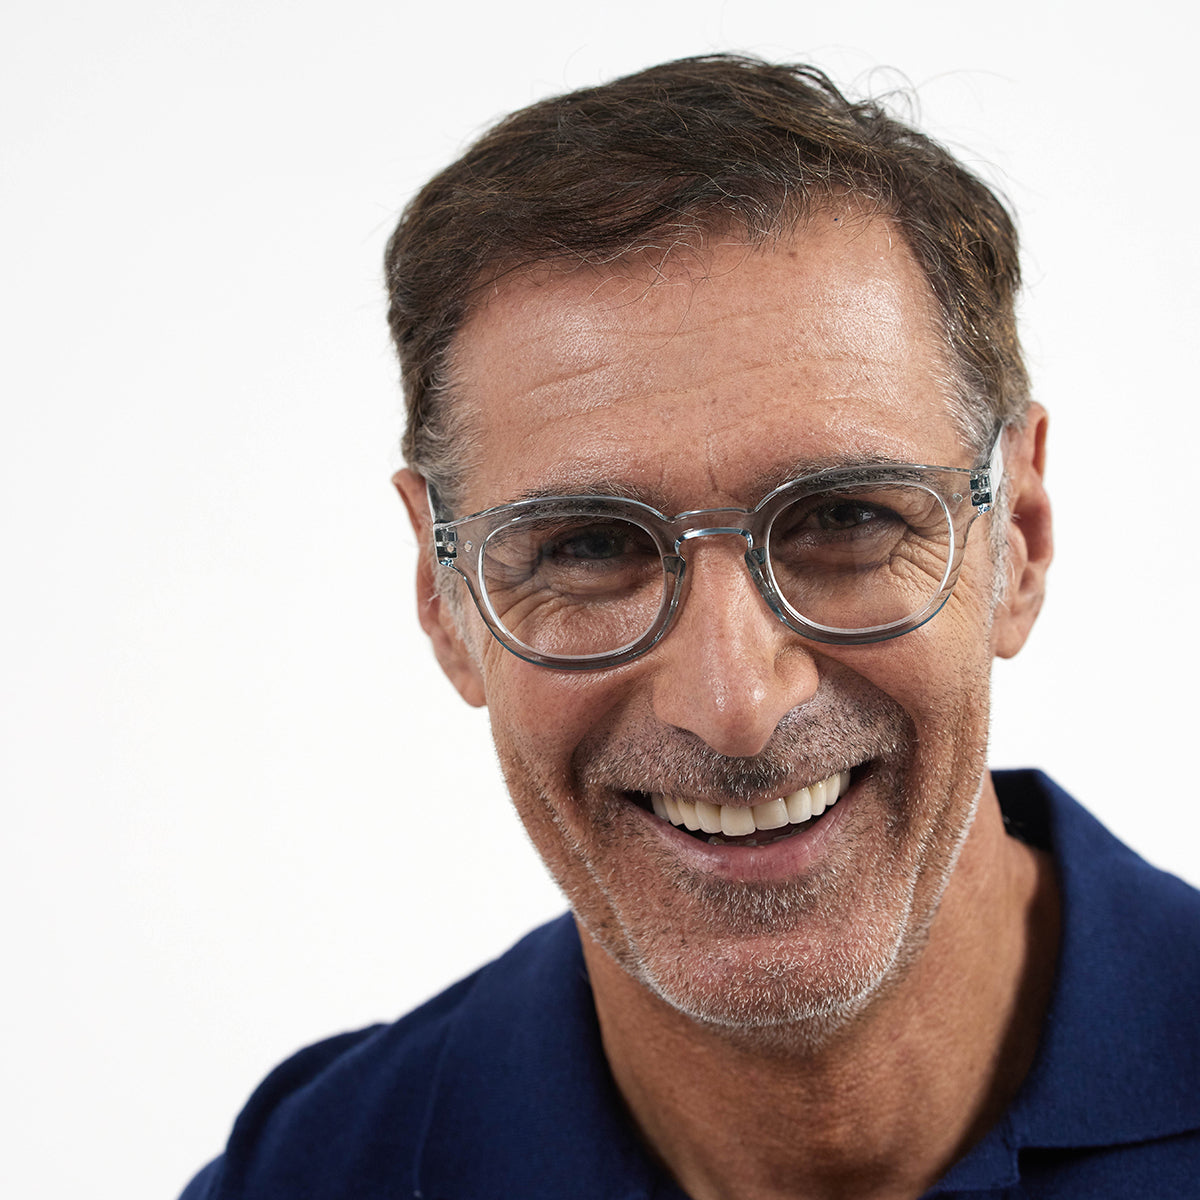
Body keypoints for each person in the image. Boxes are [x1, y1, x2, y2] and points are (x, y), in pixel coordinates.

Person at [180, 55, 1200, 1199]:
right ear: (443, 596)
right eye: (587, 547)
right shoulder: (314, 1173)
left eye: (846, 518)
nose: (734, 705)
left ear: (1017, 533)